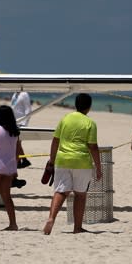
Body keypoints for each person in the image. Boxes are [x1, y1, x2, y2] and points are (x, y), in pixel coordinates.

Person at [43, 93, 102, 235]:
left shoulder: (65, 119)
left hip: (62, 160)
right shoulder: (90, 123)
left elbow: (55, 140)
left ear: (76, 104)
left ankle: (51, 218)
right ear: (89, 107)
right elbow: (93, 147)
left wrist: (52, 160)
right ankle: (77, 227)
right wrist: (99, 168)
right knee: (80, 194)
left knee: (61, 191)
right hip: (82, 162)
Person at [10, 91, 32, 169]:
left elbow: (28, 109)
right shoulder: (15, 94)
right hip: (14, 122)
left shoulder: (24, 94)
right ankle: (22, 160)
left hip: (21, 122)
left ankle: (22, 160)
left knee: (17, 142)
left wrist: (25, 123)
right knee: (17, 143)